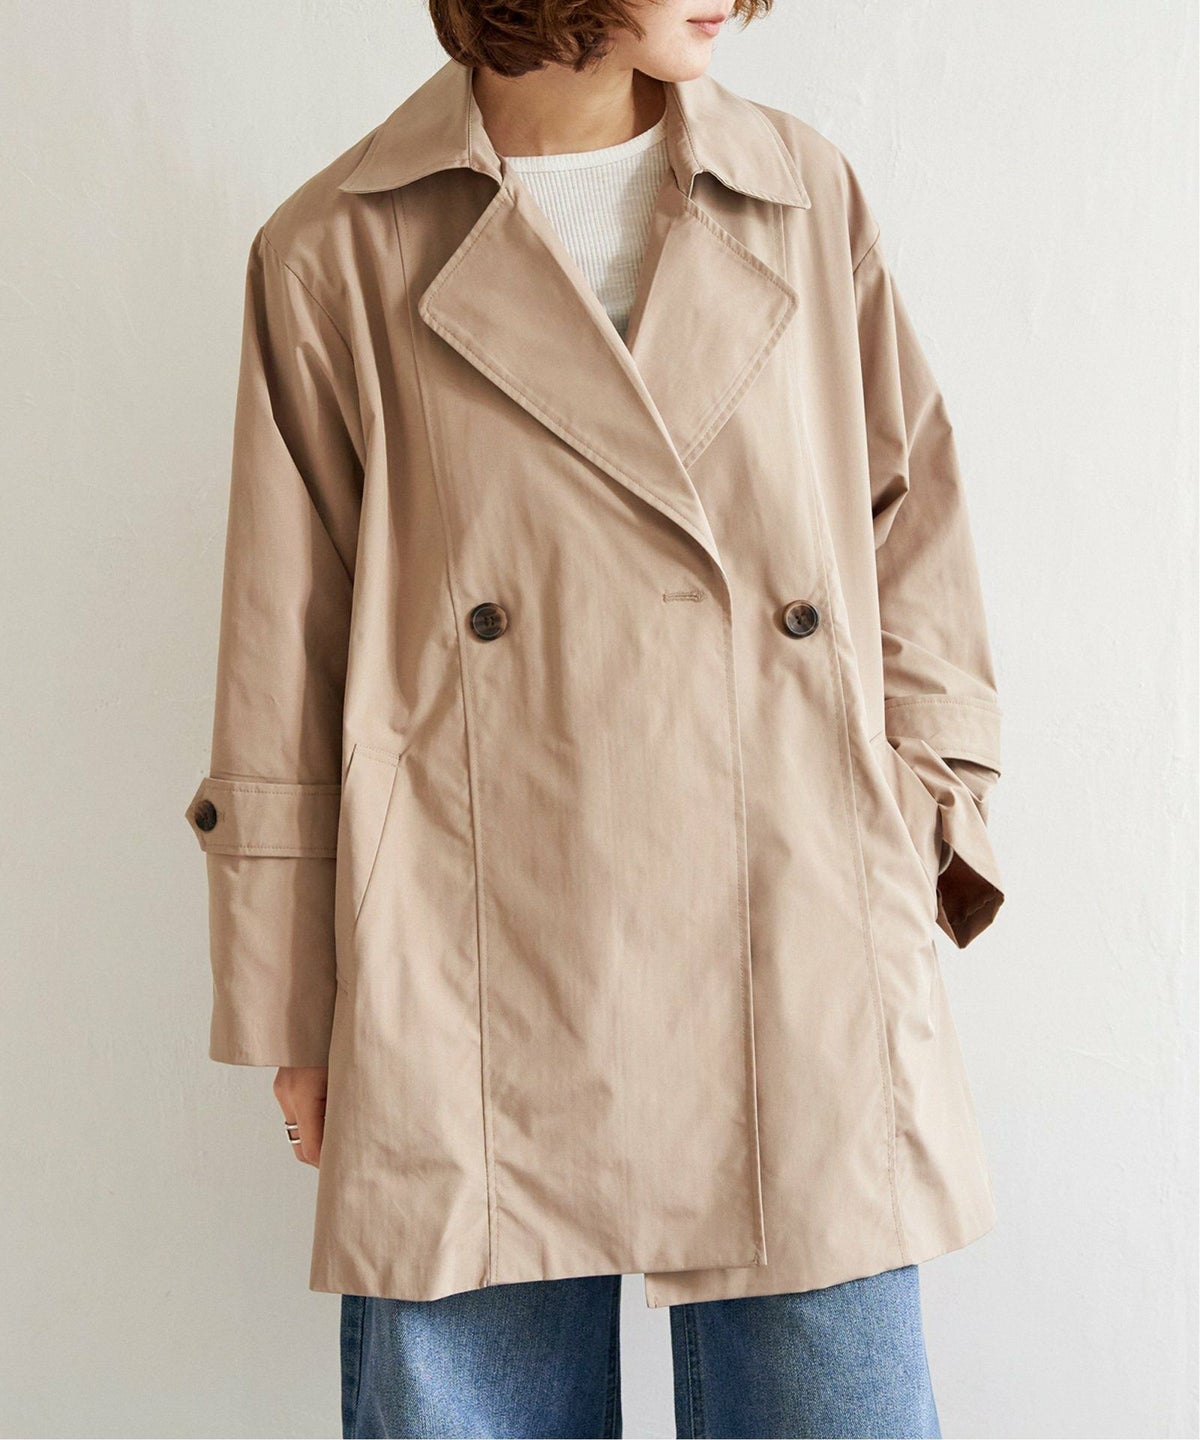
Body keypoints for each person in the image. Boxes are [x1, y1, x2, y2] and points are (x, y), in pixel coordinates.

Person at [185, 1, 1008, 1435]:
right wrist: (295, 1004)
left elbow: (910, 520)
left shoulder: (799, 193)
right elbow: (282, 645)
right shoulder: (336, 248)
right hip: (460, 953)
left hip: (795, 921)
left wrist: (921, 803)